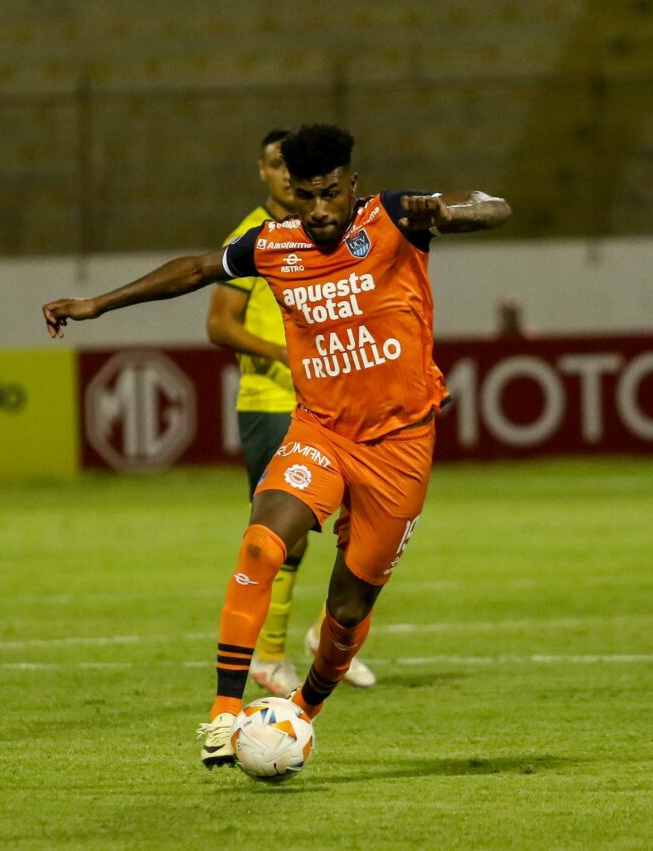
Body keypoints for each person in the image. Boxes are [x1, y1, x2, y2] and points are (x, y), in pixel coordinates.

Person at [42, 123, 511, 770]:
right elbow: (198, 268)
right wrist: (97, 303)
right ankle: (222, 713)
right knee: (264, 540)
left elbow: (492, 207)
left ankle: (303, 708)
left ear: (350, 184)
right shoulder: (274, 243)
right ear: (289, 193)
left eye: (328, 194)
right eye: (304, 197)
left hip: (400, 445)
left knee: (347, 609)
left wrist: (448, 209)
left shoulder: (394, 217)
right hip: (319, 430)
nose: (317, 211)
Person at [207, 128, 375, 695]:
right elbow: (219, 325)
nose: (284, 175)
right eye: (274, 166)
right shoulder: (256, 238)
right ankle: (270, 655)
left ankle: (328, 635)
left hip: (337, 406)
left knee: (366, 529)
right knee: (288, 536)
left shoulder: (336, 235)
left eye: (290, 167)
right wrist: (287, 353)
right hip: (273, 401)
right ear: (263, 173)